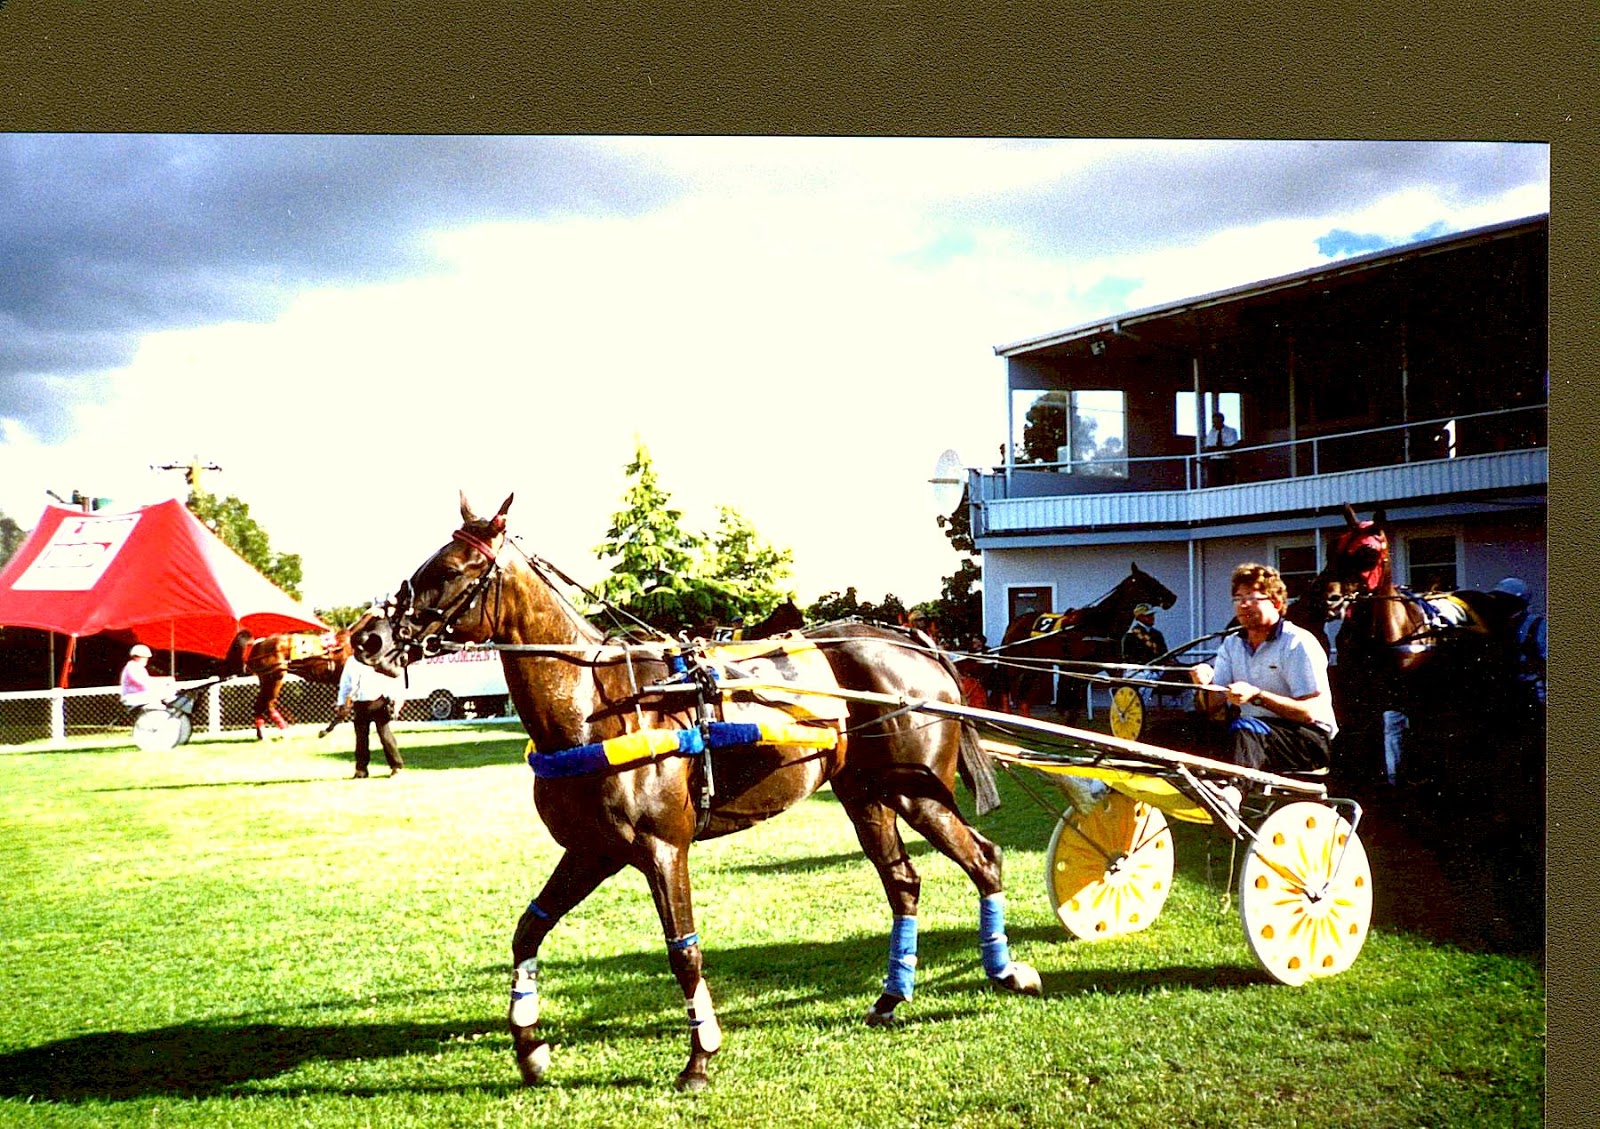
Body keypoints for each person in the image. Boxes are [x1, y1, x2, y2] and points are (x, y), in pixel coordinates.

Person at [1191, 563, 1338, 814]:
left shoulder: (1298, 642)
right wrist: (1204, 686)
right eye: (1238, 598)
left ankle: (1231, 795)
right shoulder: (1231, 645)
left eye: (1251, 598)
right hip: (1254, 734)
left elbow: (1310, 712)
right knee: (1181, 728)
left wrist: (1258, 696)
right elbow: (1212, 706)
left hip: (1308, 740)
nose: (1242, 605)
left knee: (1246, 728)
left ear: (1277, 604)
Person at [334, 653, 406, 778]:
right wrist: (342, 702)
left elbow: (392, 678)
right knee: (361, 738)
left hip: (379, 701)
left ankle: (396, 766)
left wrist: (395, 699)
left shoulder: (379, 657)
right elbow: (345, 682)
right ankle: (361, 769)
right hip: (360, 703)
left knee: (385, 736)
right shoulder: (352, 661)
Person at [1493, 576, 1546, 725]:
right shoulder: (1493, 625)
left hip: (1531, 693)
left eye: (1503, 599)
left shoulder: (1538, 625)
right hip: (1502, 693)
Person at [119, 643, 173, 710]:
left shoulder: (138, 667)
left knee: (167, 694)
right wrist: (165, 680)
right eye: (144, 657)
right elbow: (145, 681)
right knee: (167, 694)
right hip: (132, 697)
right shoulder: (132, 667)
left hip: (138, 695)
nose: (146, 659)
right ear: (136, 657)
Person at [1203, 410, 1240, 486]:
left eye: (1217, 421)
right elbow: (1208, 448)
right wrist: (1222, 448)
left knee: (1227, 482)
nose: (1215, 424)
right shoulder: (1211, 432)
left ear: (1222, 420)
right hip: (1214, 461)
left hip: (1227, 459)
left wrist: (1217, 448)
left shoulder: (1231, 431)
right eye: (1214, 422)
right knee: (1214, 483)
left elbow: (1233, 446)